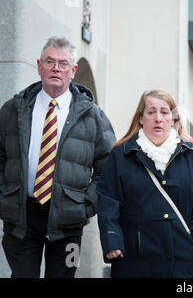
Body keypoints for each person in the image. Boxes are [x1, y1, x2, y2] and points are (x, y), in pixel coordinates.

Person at [0, 36, 116, 278]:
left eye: (63, 64)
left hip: (68, 220)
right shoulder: (14, 109)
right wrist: (4, 196)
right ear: (39, 65)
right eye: (49, 61)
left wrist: (84, 207)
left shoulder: (93, 117)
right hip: (22, 217)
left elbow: (109, 170)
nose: (56, 68)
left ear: (73, 71)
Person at [96, 89, 193, 278]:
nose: (158, 118)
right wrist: (112, 240)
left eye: (164, 112)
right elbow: (108, 201)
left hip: (184, 257)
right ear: (141, 118)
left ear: (173, 119)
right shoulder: (121, 155)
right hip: (135, 259)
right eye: (151, 112)